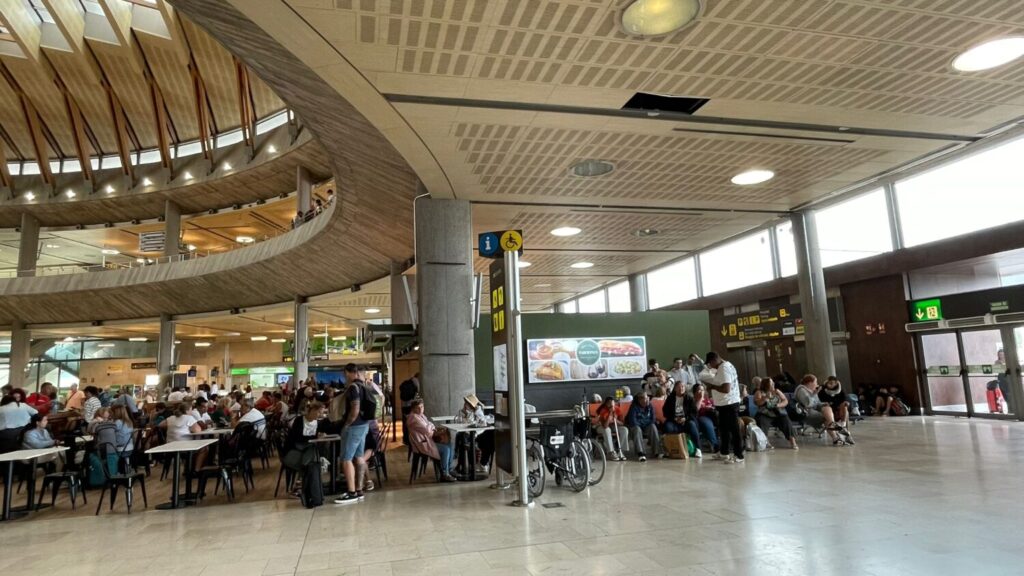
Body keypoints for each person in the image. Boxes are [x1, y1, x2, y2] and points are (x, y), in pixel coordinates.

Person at [333, 364, 371, 505]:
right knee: (359, 457)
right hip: (364, 425)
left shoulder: (353, 388)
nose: (345, 376)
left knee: (346, 459)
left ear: (348, 372)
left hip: (354, 427)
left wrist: (347, 423)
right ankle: (359, 490)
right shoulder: (363, 386)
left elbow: (355, 408)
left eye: (345, 373)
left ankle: (351, 492)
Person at [283, 401, 325, 508]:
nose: (321, 415)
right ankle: (312, 492)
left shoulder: (320, 423)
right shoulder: (298, 421)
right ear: (313, 410)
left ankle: (302, 485)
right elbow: (296, 439)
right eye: (319, 412)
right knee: (313, 459)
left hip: (306, 453)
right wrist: (314, 438)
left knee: (312, 455)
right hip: (294, 453)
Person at [705, 351, 744, 463]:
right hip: (723, 404)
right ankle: (724, 452)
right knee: (724, 429)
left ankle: (738, 455)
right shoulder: (727, 365)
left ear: (715, 359)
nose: (710, 366)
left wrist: (712, 386)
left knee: (734, 429)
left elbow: (726, 389)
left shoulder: (724, 368)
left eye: (710, 363)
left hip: (729, 403)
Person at [406, 399, 456, 482]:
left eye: (422, 407)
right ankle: (444, 473)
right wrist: (431, 428)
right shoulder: (413, 418)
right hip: (422, 444)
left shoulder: (420, 416)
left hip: (427, 440)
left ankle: (449, 470)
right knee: (445, 449)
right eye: (418, 408)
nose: (420, 409)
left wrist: (430, 427)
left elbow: (430, 425)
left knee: (450, 445)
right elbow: (427, 430)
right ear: (413, 409)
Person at [794, 375, 845, 445]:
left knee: (827, 408)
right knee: (826, 418)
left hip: (814, 410)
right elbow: (807, 404)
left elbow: (817, 403)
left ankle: (833, 426)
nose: (817, 384)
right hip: (806, 412)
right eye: (815, 382)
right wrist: (814, 394)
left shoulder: (811, 390)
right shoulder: (801, 390)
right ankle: (835, 436)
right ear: (810, 383)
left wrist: (824, 404)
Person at [754, 377, 798, 450]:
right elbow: (757, 403)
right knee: (761, 420)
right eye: (771, 383)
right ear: (766, 385)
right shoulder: (759, 392)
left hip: (778, 413)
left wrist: (778, 405)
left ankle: (793, 442)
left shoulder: (777, 391)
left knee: (786, 420)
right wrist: (764, 398)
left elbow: (785, 401)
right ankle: (765, 442)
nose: (773, 384)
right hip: (765, 413)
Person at [625, 392, 664, 462]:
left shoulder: (650, 406)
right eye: (643, 399)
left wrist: (645, 423)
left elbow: (653, 419)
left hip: (646, 426)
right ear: (639, 400)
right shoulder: (634, 407)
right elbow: (633, 421)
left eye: (646, 398)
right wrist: (644, 422)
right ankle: (641, 453)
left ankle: (657, 451)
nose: (645, 401)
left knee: (653, 427)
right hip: (636, 426)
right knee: (637, 430)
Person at [690, 383, 719, 453]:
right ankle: (715, 445)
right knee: (707, 423)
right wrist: (700, 399)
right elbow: (695, 410)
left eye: (702, 390)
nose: (701, 392)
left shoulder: (709, 400)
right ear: (694, 392)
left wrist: (711, 408)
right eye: (699, 390)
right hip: (701, 417)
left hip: (713, 416)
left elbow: (716, 408)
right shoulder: (692, 401)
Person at [399, 373, 420, 445]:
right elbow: (418, 393)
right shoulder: (417, 382)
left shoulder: (407, 382)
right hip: (411, 406)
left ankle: (405, 439)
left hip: (404, 406)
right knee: (412, 423)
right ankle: (411, 440)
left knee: (405, 423)